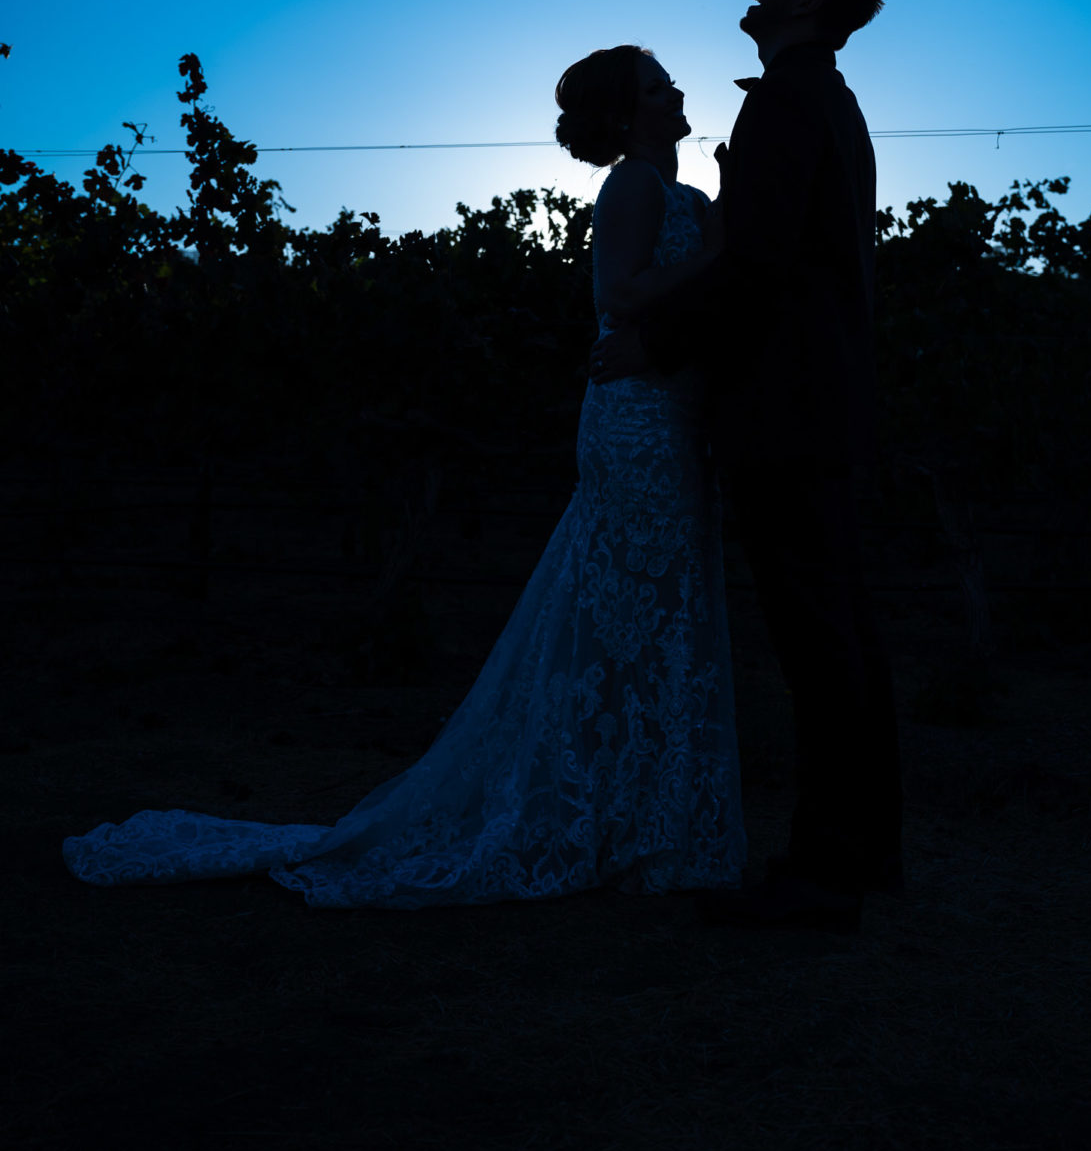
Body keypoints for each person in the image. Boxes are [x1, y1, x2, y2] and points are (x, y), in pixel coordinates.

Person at [62, 47, 747, 908]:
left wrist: (720, 242)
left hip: (675, 420)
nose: (675, 89)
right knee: (627, 609)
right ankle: (614, 816)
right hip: (638, 422)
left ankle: (645, 813)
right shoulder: (635, 187)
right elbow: (620, 296)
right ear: (623, 116)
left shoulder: (683, 196)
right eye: (655, 85)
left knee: (661, 610)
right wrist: (722, 252)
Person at [591, 0, 904, 933]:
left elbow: (759, 265)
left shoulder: (785, 106)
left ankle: (824, 874)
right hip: (825, 405)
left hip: (786, 409)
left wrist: (654, 340)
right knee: (844, 632)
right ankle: (865, 852)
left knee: (819, 641)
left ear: (805, 5)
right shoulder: (828, 103)